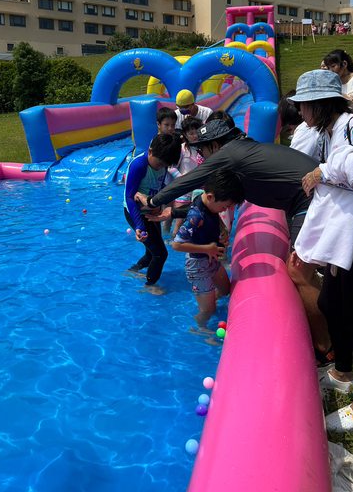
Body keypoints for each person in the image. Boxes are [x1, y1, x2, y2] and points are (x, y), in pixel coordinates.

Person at [142, 119, 332, 357]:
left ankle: (325, 348)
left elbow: (190, 180)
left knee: (298, 271)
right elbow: (205, 205)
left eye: (203, 150)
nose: (202, 156)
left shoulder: (230, 153)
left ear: (215, 145)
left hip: (313, 198)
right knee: (303, 269)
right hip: (310, 197)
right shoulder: (244, 154)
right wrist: (174, 213)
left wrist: (154, 201)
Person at [290, 69, 353, 433]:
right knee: (331, 303)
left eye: (304, 105)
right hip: (346, 239)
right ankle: (343, 371)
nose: (300, 112)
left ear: (320, 105)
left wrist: (323, 172)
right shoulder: (330, 131)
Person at [172, 170, 245, 328]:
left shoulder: (207, 202)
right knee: (208, 311)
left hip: (211, 259)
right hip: (197, 266)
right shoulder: (195, 216)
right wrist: (207, 248)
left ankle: (209, 298)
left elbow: (213, 214)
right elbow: (176, 244)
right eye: (224, 207)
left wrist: (222, 228)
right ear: (211, 197)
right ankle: (199, 329)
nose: (224, 210)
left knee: (225, 290)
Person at [123, 133, 181, 286]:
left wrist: (159, 206)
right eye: (159, 163)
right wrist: (139, 225)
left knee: (152, 251)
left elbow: (159, 186)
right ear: (150, 151)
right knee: (161, 254)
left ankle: (133, 270)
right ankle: (149, 286)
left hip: (151, 211)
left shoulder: (162, 162)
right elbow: (129, 197)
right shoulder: (139, 166)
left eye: (165, 165)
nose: (161, 167)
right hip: (136, 212)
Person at [168, 116, 204, 237]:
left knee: (198, 220)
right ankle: (173, 240)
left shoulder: (204, 148)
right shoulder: (182, 149)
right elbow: (171, 167)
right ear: (185, 135)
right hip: (183, 190)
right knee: (179, 222)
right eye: (191, 133)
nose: (195, 136)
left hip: (199, 189)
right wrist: (182, 178)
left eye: (197, 132)